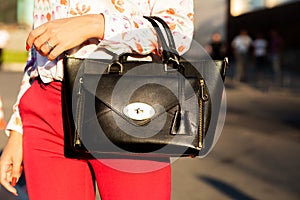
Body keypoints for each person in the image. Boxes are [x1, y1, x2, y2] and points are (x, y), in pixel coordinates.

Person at [0, 1, 194, 200]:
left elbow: (178, 31)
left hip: (128, 109)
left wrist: (95, 25)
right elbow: (38, 45)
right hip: (48, 115)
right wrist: (18, 128)